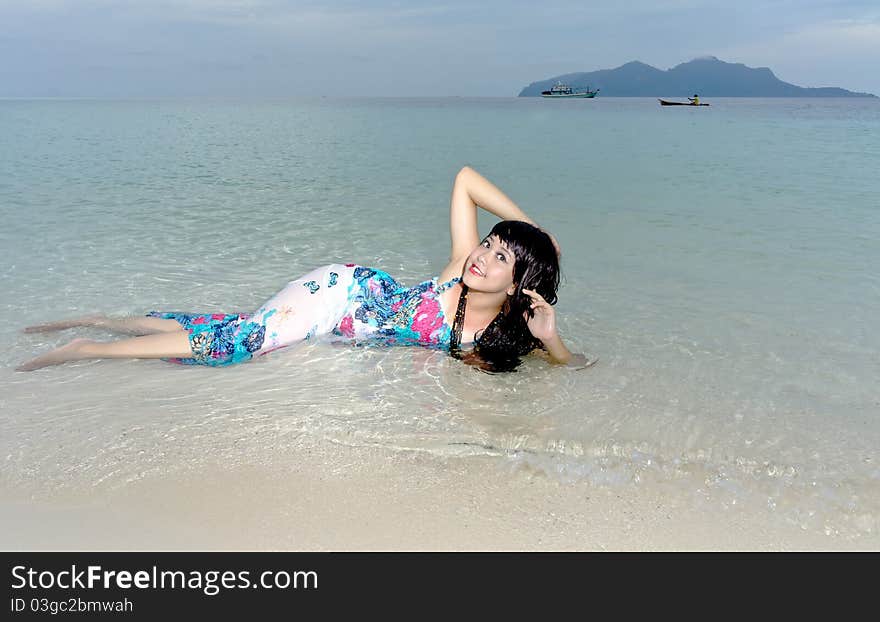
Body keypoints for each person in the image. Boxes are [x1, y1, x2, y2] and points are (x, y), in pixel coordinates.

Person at [18, 166, 590, 373]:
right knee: (241, 343)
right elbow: (466, 179)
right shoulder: (452, 276)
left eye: (499, 258)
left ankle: (108, 321)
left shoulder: (499, 334)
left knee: (235, 327)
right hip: (337, 292)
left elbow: (574, 367)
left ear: (520, 286)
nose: (480, 256)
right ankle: (85, 349)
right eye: (487, 243)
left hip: (330, 325)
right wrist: (536, 230)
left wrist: (552, 340)